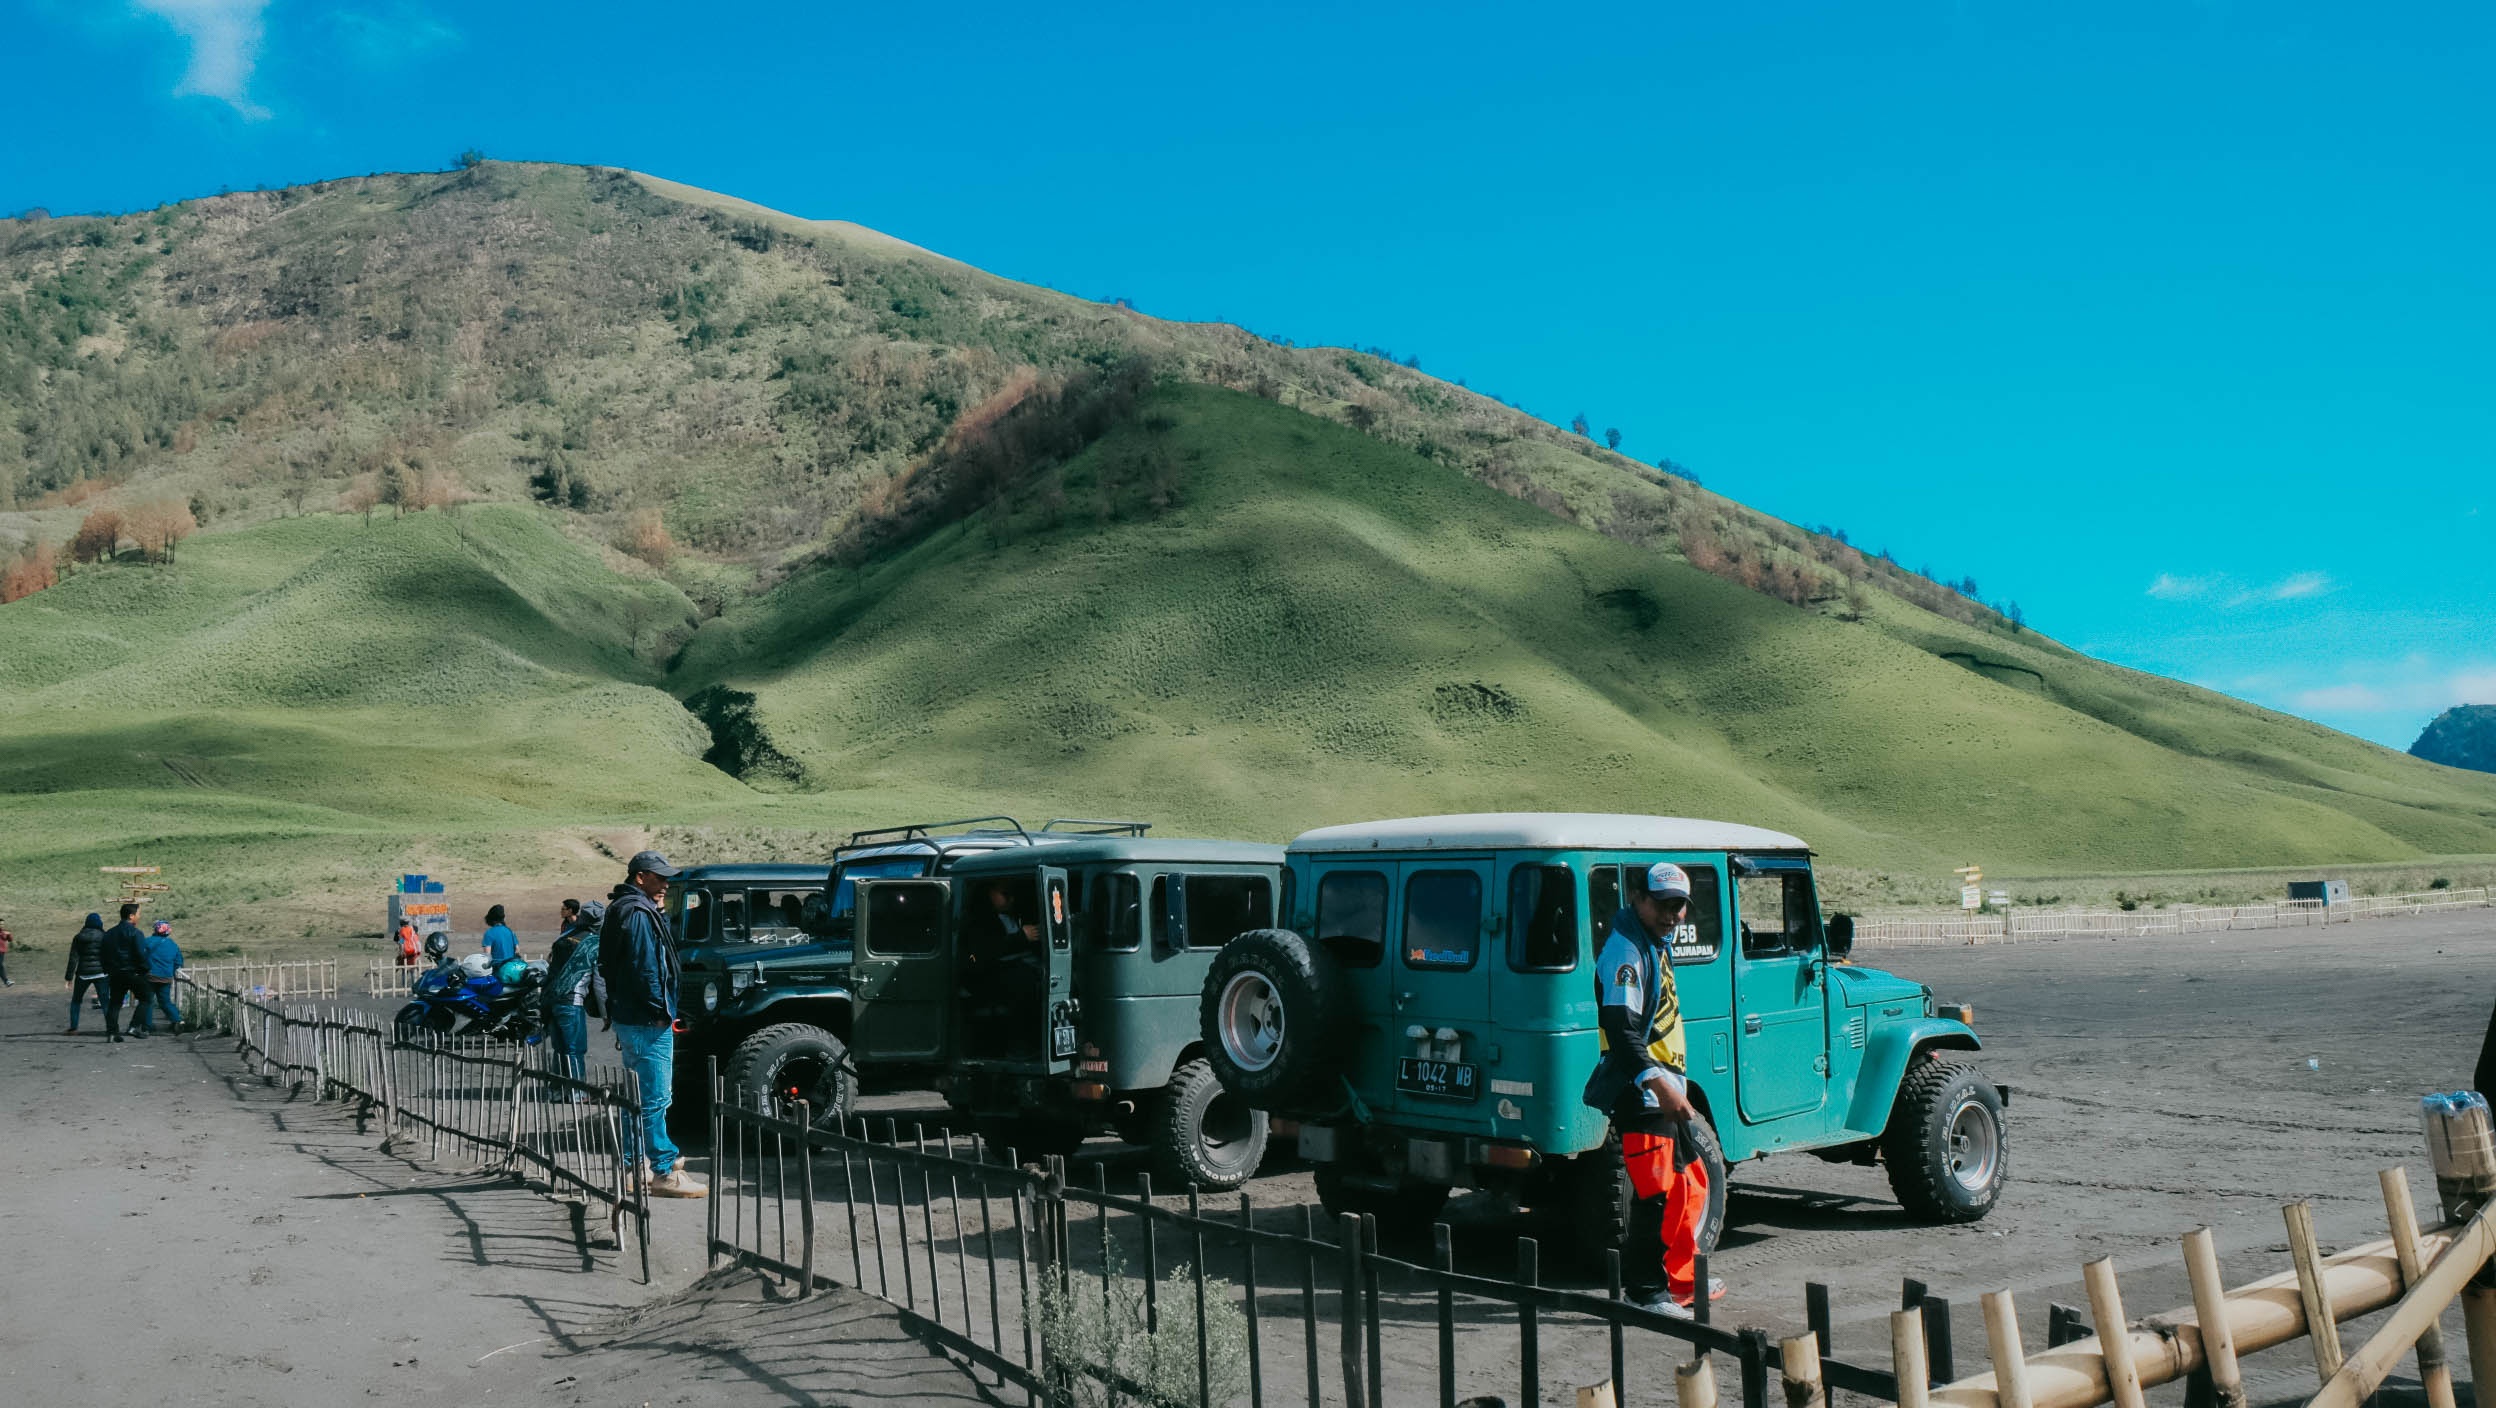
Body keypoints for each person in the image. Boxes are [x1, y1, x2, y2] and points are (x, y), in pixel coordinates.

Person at [1583, 862, 1724, 1316]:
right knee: (1654, 1196)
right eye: (1662, 904)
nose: (1672, 914)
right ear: (1638, 899)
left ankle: (1682, 1280)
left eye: (1679, 905)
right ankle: (1646, 1293)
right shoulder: (1626, 951)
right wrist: (1656, 1083)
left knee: (1690, 1184)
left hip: (1664, 1090)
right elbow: (1620, 1028)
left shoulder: (1652, 943)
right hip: (1643, 1094)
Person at [597, 852, 706, 1199]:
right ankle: (664, 1170)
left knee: (638, 1094)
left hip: (632, 1015)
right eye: (660, 878)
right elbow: (647, 968)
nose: (666, 885)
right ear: (640, 877)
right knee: (656, 1097)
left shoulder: (623, 908)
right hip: (647, 1018)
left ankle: (634, 1167)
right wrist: (660, 1009)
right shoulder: (638, 913)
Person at [544, 899, 606, 1087]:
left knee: (560, 1048)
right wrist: (605, 1014)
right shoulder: (594, 944)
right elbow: (599, 984)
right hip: (572, 1001)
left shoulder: (564, 936)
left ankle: (557, 1090)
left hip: (551, 999)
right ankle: (576, 1092)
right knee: (575, 1049)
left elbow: (550, 965)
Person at [100, 903, 150, 1042]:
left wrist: (107, 969)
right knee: (146, 998)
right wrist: (145, 969)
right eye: (138, 914)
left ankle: (112, 1032)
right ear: (131, 916)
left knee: (115, 1003)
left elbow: (103, 953)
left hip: (115, 973)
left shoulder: (109, 933)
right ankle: (134, 1026)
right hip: (133, 972)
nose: (139, 916)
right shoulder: (136, 933)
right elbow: (140, 954)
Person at [63, 913, 108, 1034]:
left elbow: (73, 958)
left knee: (76, 1001)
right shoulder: (104, 936)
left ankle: (73, 1028)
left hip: (83, 974)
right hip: (101, 973)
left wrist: (69, 977)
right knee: (105, 1002)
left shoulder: (79, 937)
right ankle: (111, 1027)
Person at [139, 921, 184, 1032]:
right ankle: (177, 1020)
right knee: (165, 1001)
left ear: (155, 930)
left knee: (148, 1001)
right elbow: (179, 961)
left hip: (150, 976)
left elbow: (140, 956)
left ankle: (147, 1026)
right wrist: (170, 971)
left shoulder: (147, 941)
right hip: (166, 978)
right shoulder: (173, 945)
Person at [0, 915, 14, 987]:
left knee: (0, 965)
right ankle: (6, 981)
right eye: (0, 924)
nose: (2, 925)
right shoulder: (3, 933)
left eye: (3, 924)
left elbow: (10, 940)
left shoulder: (4, 933)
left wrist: (9, 934)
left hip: (1, 952)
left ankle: (6, 981)